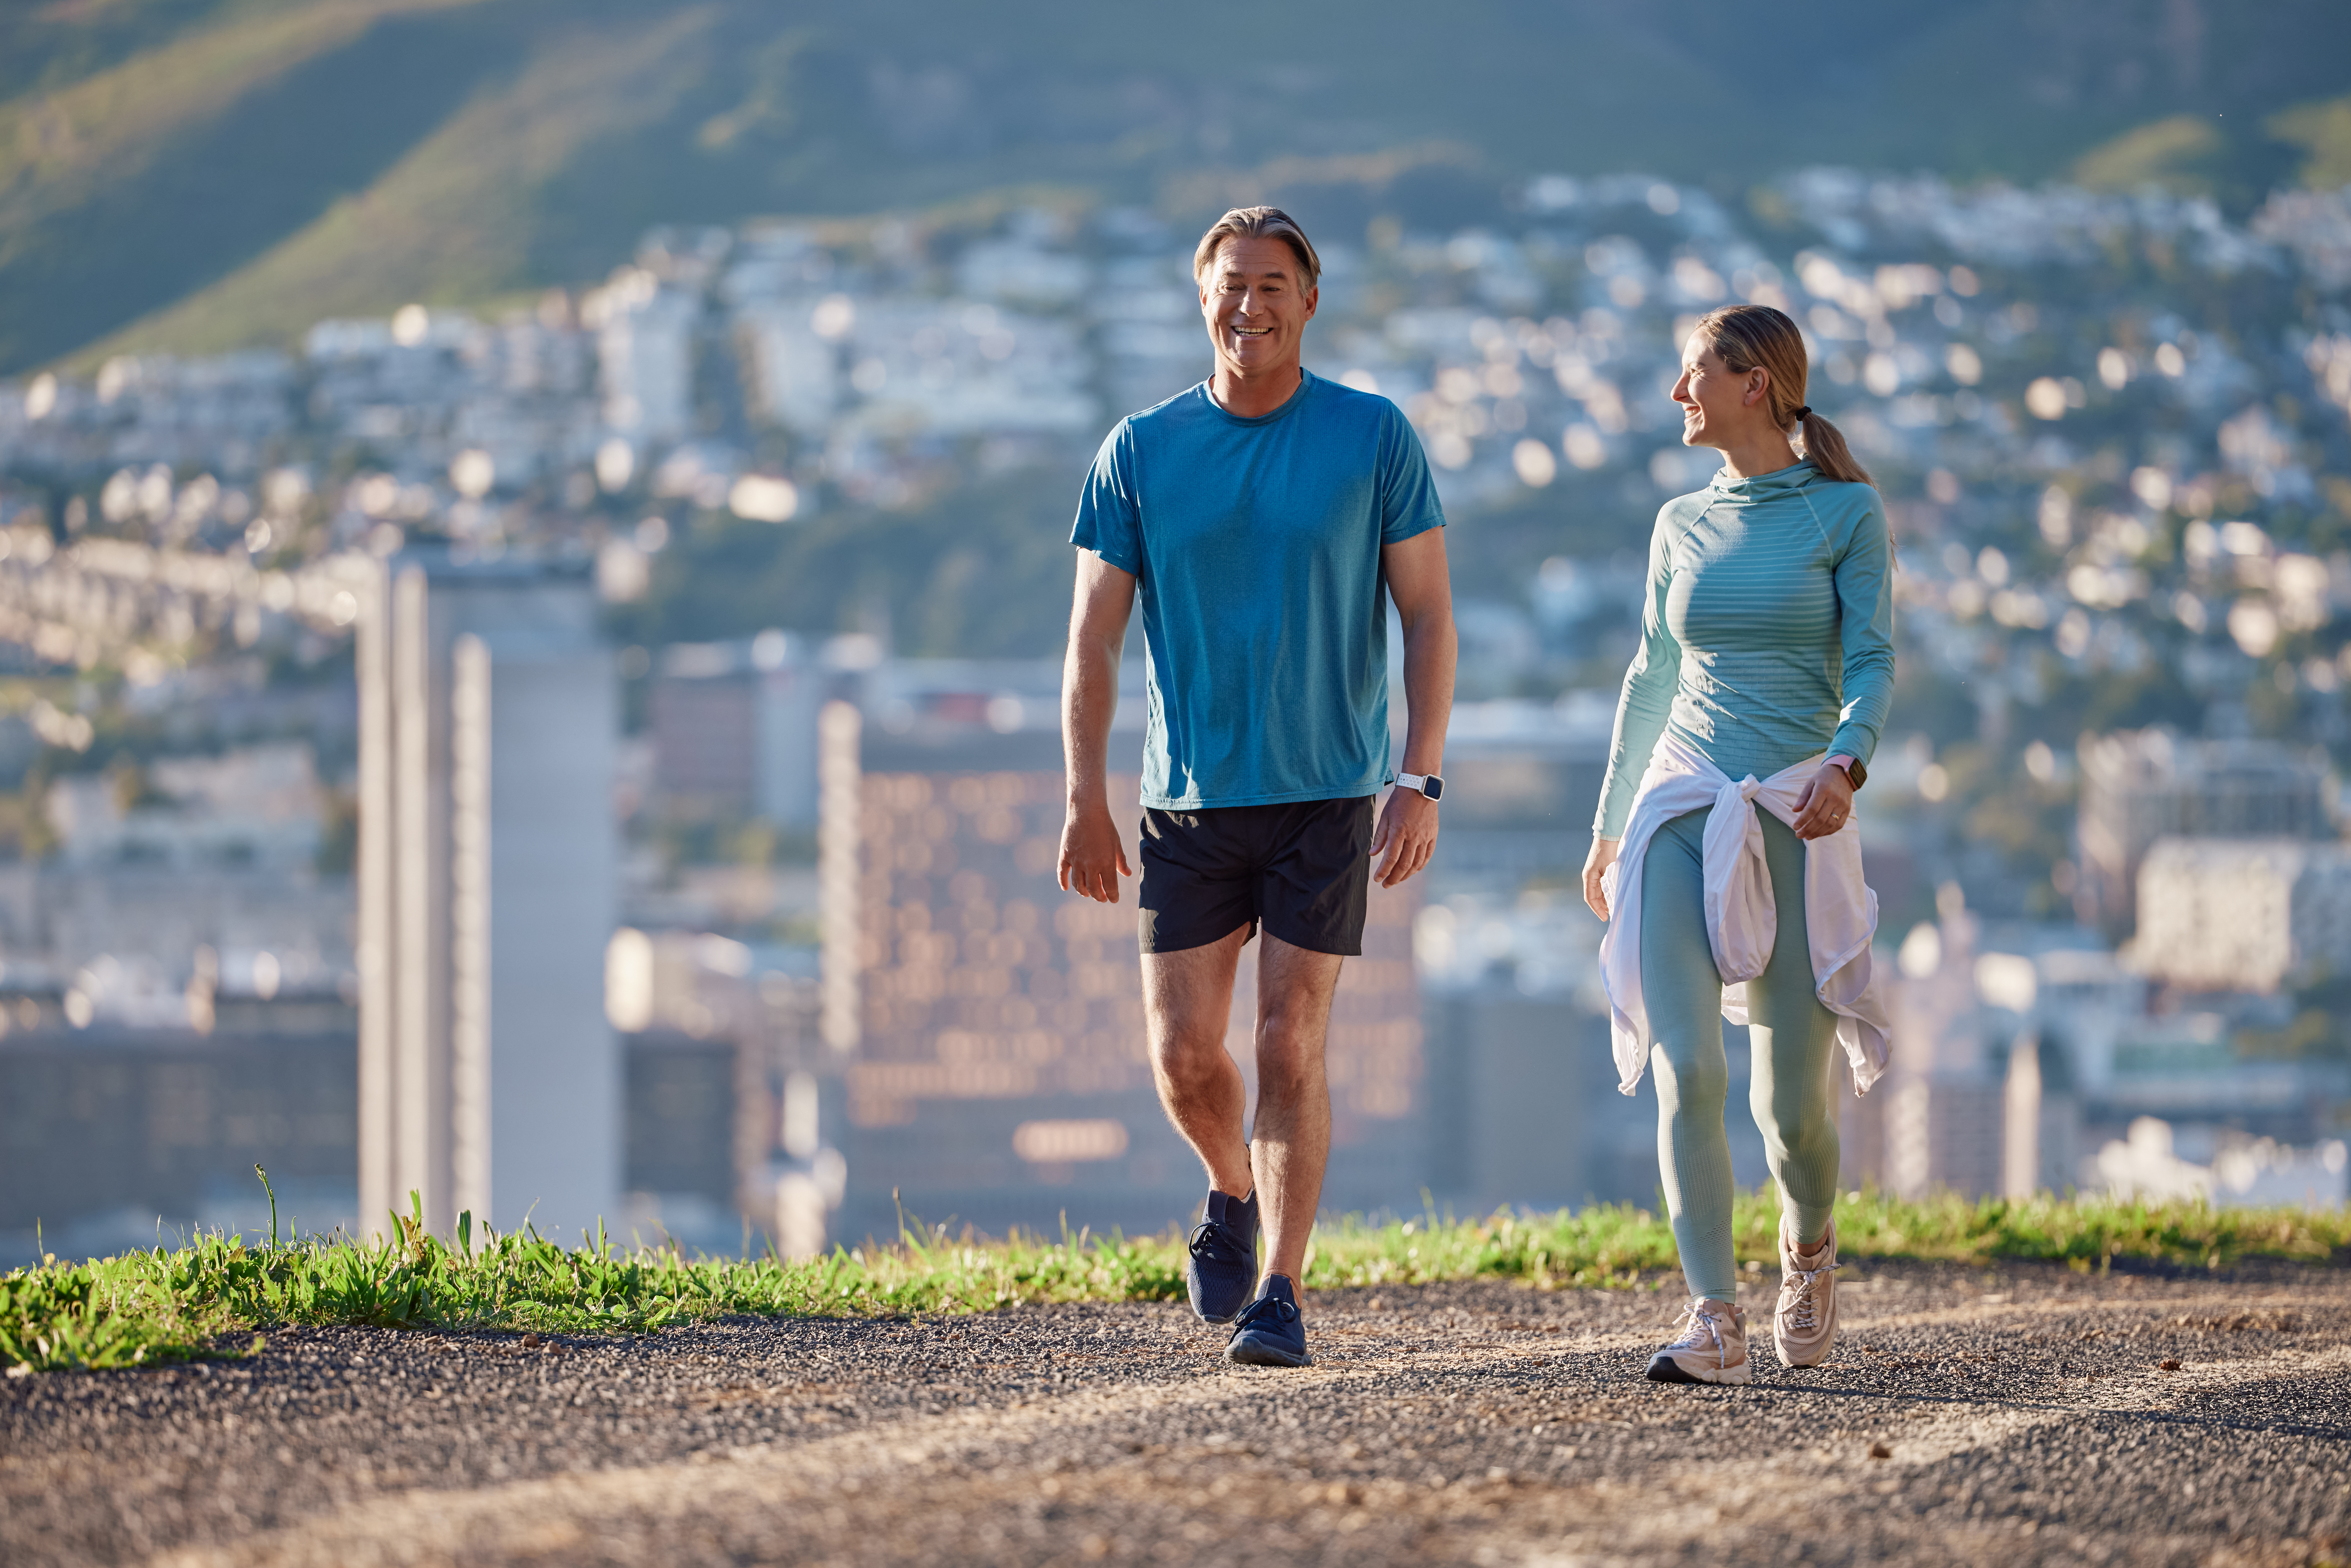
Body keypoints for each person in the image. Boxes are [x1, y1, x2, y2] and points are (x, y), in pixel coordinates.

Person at [1058, 206, 1457, 1369]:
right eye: (1233, 284)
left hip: (1328, 790)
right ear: (1202, 299)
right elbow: (1092, 637)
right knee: (1186, 1056)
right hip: (1187, 795)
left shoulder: (1373, 437)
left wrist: (1419, 775)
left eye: (1274, 283)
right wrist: (1084, 793)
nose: (1253, 304)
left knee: (1290, 1044)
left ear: (1310, 300)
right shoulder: (1139, 448)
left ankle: (1281, 1286)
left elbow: (1427, 614)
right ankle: (1229, 1187)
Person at [1581, 304, 1895, 1386]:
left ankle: (1808, 1253)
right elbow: (1649, 677)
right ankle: (1712, 1314)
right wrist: (1610, 823)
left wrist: (1847, 766)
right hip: (1681, 809)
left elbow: (1874, 664)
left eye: (1692, 375)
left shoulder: (1845, 515)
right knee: (1689, 1070)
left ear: (1752, 382)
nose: (1679, 395)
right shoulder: (1679, 523)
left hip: (1797, 813)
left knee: (1790, 1110)